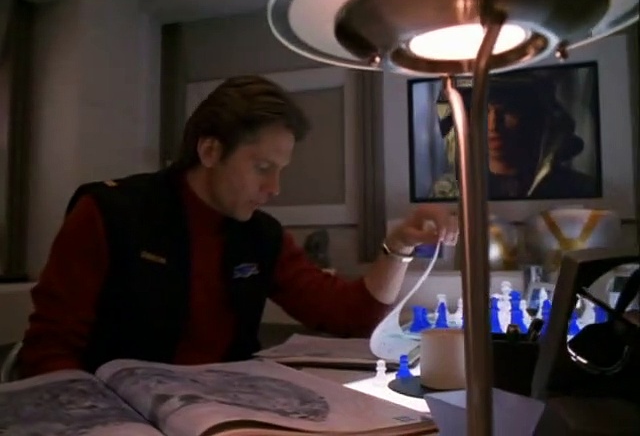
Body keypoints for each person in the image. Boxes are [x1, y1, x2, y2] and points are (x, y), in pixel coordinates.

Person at [18, 75, 458, 378]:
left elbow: (350, 316)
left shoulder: (261, 236)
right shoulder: (108, 212)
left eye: (281, 170)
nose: (275, 188)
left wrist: (399, 247)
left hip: (222, 411)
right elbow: (49, 351)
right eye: (263, 168)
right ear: (210, 151)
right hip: (120, 412)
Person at [430, 75, 596, 200]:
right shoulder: (447, 192)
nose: (493, 125)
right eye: (483, 112)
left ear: (532, 116)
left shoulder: (579, 189)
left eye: (508, 110)